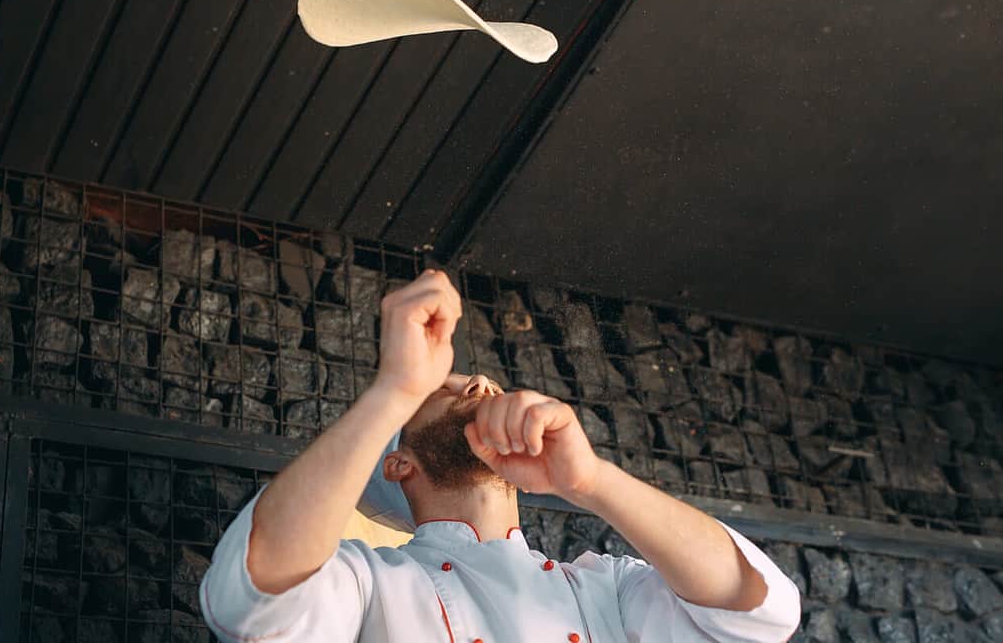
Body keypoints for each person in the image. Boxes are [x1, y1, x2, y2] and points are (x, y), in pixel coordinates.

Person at [199, 269, 802, 641]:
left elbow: (756, 613)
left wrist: (590, 480)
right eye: (443, 390)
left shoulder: (604, 590)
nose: (479, 385)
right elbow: (256, 600)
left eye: (482, 383)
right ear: (397, 462)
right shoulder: (372, 583)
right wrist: (396, 389)